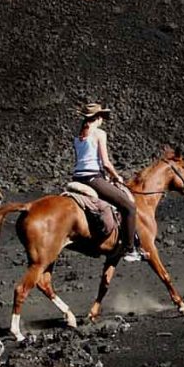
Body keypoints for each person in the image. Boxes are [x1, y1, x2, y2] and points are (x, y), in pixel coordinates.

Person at [72, 103, 141, 262]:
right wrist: (116, 177)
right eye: (102, 116)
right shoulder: (99, 133)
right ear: (98, 117)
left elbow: (82, 162)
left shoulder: (78, 137)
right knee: (129, 207)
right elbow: (106, 162)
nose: (103, 119)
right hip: (93, 179)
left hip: (78, 178)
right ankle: (130, 249)